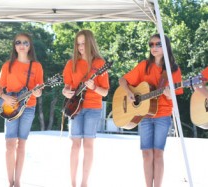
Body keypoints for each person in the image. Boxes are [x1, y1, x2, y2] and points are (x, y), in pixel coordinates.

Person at [118, 34, 183, 187]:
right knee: (146, 154)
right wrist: (128, 92)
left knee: (158, 153)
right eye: (151, 44)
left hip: (163, 115)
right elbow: (122, 80)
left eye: (158, 44)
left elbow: (176, 95)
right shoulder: (144, 65)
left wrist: (169, 94)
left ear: (165, 46)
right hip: (144, 115)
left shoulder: (173, 69)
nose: (154, 47)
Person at [62, 30, 109, 187]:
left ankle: (84, 184)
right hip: (75, 108)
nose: (81, 47)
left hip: (93, 108)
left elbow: (105, 91)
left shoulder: (100, 64)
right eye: (78, 44)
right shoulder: (71, 64)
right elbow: (66, 88)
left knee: (88, 145)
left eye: (84, 43)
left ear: (90, 43)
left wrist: (94, 87)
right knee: (75, 145)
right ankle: (73, 183)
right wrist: (65, 92)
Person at [0, 33, 43, 187]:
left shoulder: (36, 66)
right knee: (10, 144)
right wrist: (4, 96)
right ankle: (10, 182)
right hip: (10, 107)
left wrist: (37, 92)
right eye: (18, 42)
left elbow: (40, 89)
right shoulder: (7, 65)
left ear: (30, 46)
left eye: (25, 42)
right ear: (14, 46)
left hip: (29, 107)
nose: (22, 45)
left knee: (21, 144)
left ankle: (18, 182)